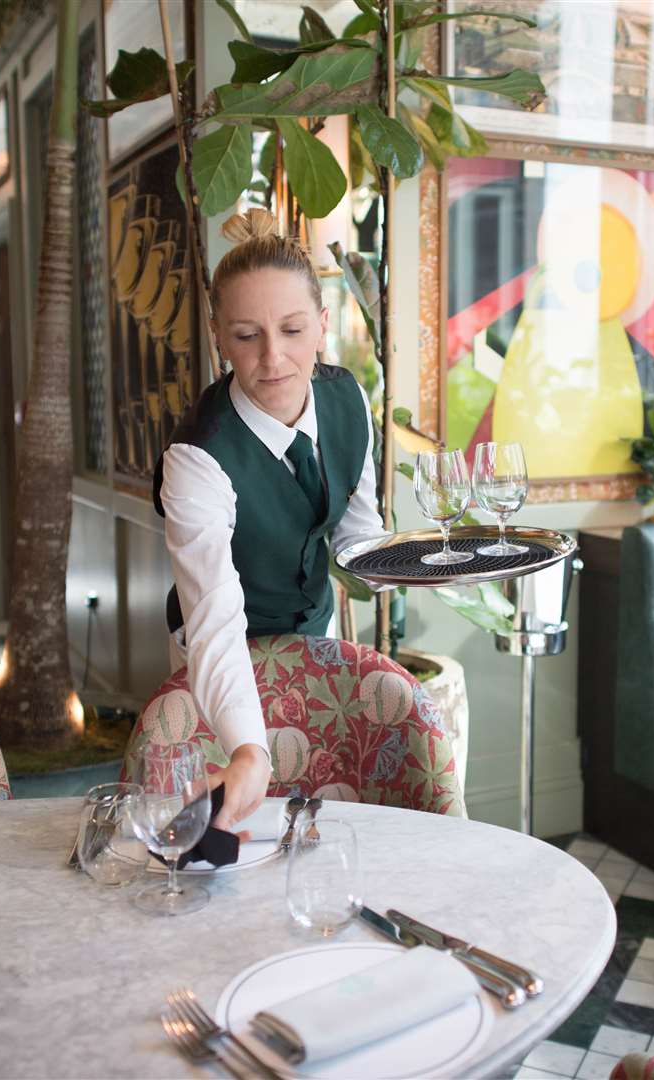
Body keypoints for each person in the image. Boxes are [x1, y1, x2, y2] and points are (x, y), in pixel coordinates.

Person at [152, 209, 384, 835]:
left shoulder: (348, 399)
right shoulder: (198, 455)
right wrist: (248, 748)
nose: (274, 357)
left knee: (310, 822)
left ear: (323, 328)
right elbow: (214, 618)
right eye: (248, 334)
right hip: (220, 656)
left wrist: (417, 564)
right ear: (218, 338)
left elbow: (359, 531)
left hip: (311, 635)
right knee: (232, 829)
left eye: (292, 329)